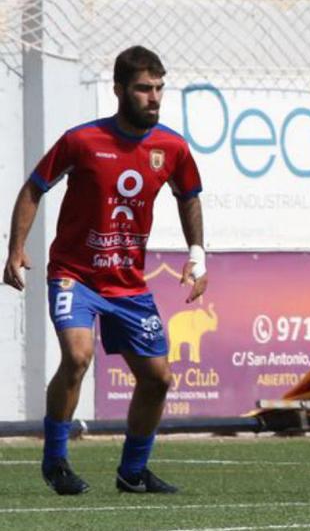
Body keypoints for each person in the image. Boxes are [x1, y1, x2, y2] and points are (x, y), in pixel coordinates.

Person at [4, 45, 206, 495]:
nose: (153, 98)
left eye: (158, 88)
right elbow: (34, 188)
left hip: (127, 283)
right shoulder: (82, 140)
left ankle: (132, 473)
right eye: (143, 89)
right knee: (77, 357)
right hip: (74, 273)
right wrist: (15, 248)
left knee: (158, 379)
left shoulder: (172, 147)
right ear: (118, 90)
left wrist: (198, 255)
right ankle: (55, 461)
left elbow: (188, 195)